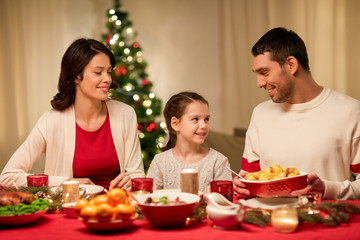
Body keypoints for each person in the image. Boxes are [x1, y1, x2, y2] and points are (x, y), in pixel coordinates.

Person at [0, 38, 145, 190]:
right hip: (69, 209)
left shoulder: (125, 114)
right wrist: (67, 182)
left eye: (109, 72)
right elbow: (7, 177)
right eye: (98, 72)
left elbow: (137, 175)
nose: (107, 79)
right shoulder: (51, 121)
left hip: (115, 208)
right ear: (76, 76)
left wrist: (131, 181)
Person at [233, 27, 360, 200]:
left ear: (291, 65)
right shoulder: (260, 114)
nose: (259, 83)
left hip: (328, 223)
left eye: (264, 72)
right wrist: (241, 186)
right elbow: (248, 179)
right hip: (271, 223)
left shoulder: (351, 111)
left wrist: (326, 189)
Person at [146, 91, 232, 192]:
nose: (204, 125)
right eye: (195, 119)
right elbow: (150, 200)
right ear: (175, 124)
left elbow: (225, 202)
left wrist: (214, 196)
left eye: (206, 119)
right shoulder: (160, 162)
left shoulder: (218, 162)